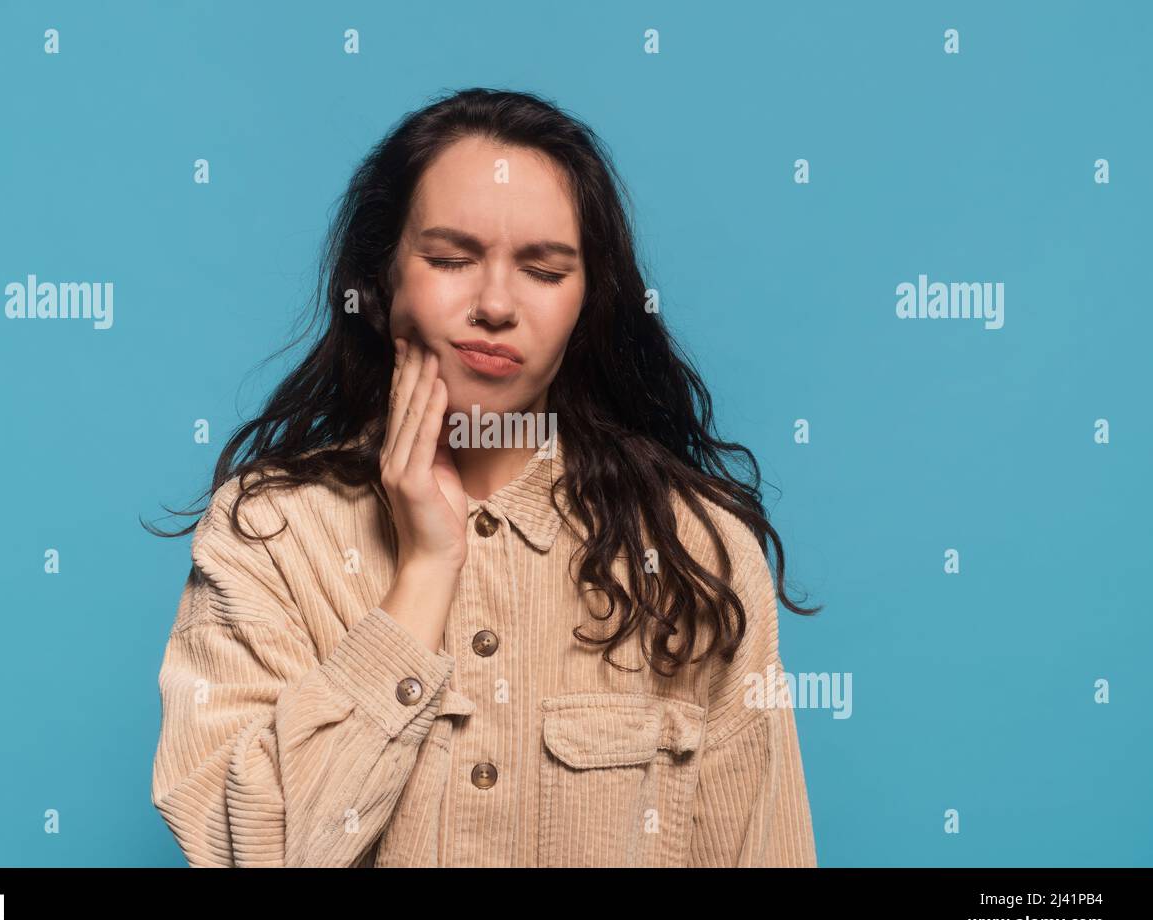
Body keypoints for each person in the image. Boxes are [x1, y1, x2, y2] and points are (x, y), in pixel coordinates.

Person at [147, 87, 821, 867]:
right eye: (450, 259)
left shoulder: (695, 554)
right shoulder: (268, 535)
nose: (495, 304)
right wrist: (425, 570)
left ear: (586, 304)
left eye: (543, 269)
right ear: (381, 282)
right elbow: (249, 852)